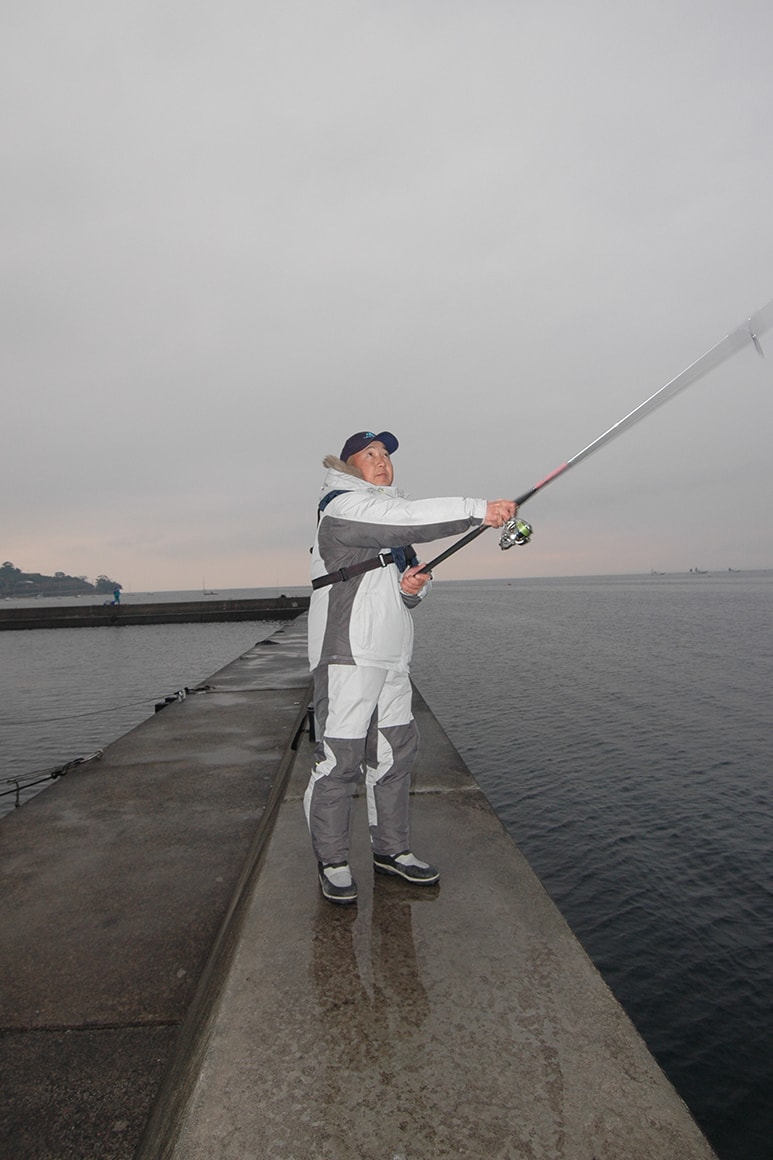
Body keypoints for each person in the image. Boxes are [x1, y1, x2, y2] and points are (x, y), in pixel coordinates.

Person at [304, 429, 517, 904]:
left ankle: (392, 850)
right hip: (348, 652)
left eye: (386, 455)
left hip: (392, 657)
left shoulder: (385, 520)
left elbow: (406, 582)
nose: (382, 461)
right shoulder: (343, 506)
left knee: (397, 755)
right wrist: (479, 509)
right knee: (339, 759)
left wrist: (412, 588)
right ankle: (333, 860)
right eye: (370, 455)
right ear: (346, 466)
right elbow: (407, 519)